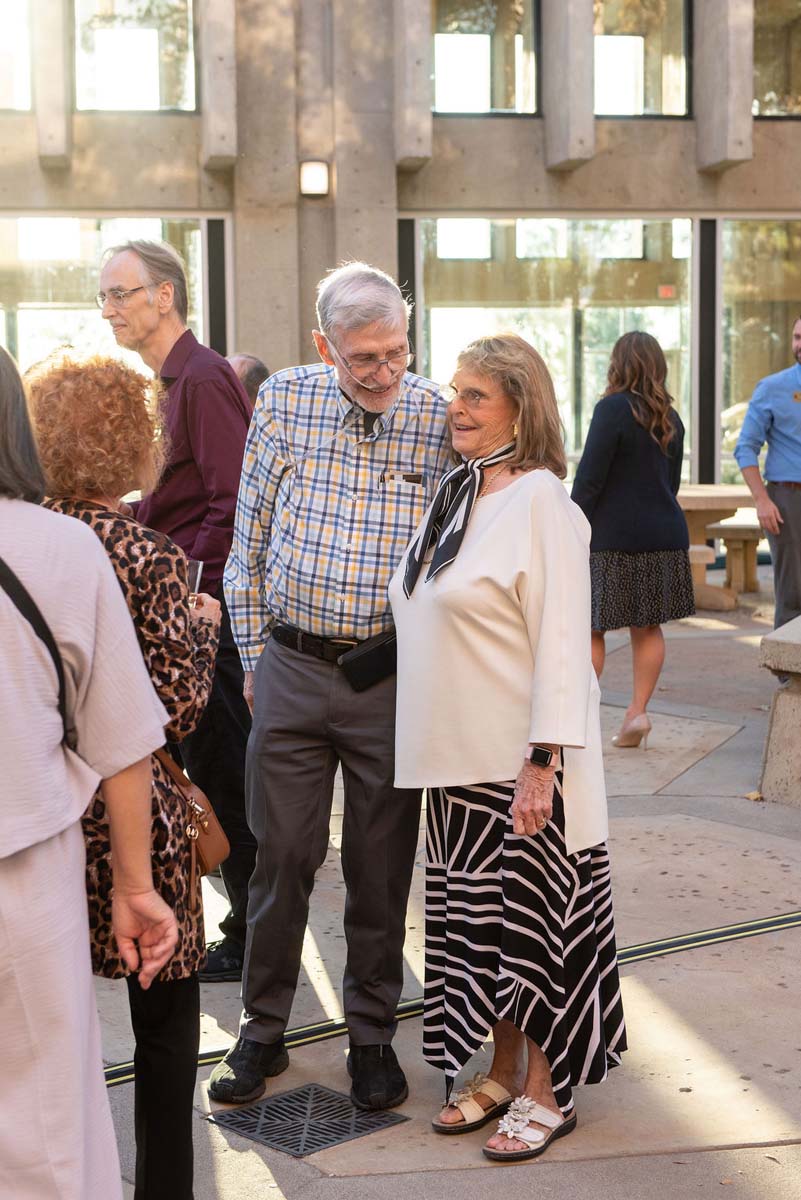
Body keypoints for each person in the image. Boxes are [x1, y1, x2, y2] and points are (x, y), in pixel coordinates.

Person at [212, 262, 451, 1109]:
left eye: (395, 352)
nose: (383, 372)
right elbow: (247, 546)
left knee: (382, 866)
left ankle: (372, 1036)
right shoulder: (283, 403)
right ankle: (262, 1029)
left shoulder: (435, 413)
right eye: (362, 359)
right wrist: (251, 658)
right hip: (290, 666)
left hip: (388, 676)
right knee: (280, 857)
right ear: (324, 347)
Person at [390, 333, 626, 1162]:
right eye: (453, 390)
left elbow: (564, 640)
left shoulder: (543, 504)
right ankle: (497, 1072)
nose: (453, 405)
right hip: (454, 764)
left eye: (474, 396)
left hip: (519, 766)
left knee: (533, 935)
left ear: (520, 408)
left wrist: (540, 762)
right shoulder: (459, 492)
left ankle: (545, 1092)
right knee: (479, 934)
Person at [28, 353, 221, 1200]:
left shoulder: (29, 538)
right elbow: (172, 711)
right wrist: (205, 628)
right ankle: (163, 1188)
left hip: (53, 815)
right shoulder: (146, 552)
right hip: (140, 816)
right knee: (166, 1029)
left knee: (52, 1026)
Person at [0, 346, 178, 1199]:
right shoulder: (61, 549)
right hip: (25, 872)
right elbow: (125, 742)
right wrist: (135, 887)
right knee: (47, 1134)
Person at [98, 238, 256, 981]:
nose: (110, 309)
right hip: (181, 609)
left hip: (203, 617)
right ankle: (246, 922)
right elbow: (184, 496)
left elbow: (233, 501)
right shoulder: (168, 380)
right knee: (203, 770)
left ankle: (252, 933)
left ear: (165, 295)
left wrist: (199, 594)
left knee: (222, 777)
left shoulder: (201, 377)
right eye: (103, 297)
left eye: (120, 293)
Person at [572, 331, 694, 748]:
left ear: (617, 364)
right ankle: (637, 712)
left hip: (612, 539)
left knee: (591, 628)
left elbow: (589, 479)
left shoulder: (611, 410)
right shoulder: (671, 418)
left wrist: (569, 524)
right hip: (664, 536)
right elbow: (671, 484)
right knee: (647, 628)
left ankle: (577, 718)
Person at [735, 315, 801, 630]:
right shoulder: (773, 388)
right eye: (797, 337)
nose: (799, 345)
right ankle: (790, 674)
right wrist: (762, 500)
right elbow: (745, 447)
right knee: (793, 590)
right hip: (789, 500)